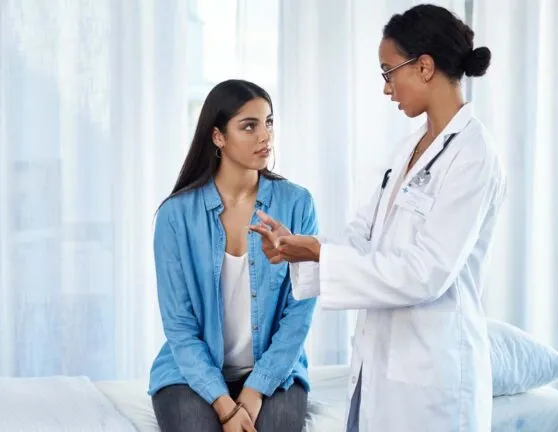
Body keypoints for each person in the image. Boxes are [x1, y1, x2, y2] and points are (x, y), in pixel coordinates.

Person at [252, 4, 506, 432]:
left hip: (431, 379)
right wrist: (304, 249)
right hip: (379, 369)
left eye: (389, 72)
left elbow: (425, 273)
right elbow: (362, 237)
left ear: (424, 66)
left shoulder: (474, 155)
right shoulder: (407, 150)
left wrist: (320, 254)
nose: (387, 88)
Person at [148, 79, 318, 432]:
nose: (265, 136)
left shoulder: (297, 204)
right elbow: (179, 326)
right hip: (188, 374)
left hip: (275, 372)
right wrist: (224, 406)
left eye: (269, 122)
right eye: (249, 126)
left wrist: (256, 390)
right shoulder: (176, 216)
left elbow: (299, 312)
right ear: (218, 137)